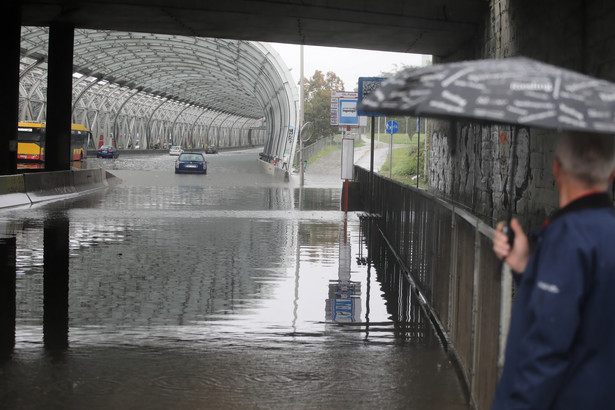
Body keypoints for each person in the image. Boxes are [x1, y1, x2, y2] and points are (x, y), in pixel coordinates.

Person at [491, 131, 615, 409]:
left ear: (556, 168)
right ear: (611, 175)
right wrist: (525, 266)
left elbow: (546, 348)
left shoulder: (568, 238)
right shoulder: (604, 233)